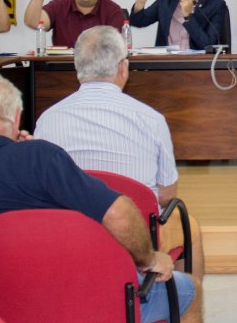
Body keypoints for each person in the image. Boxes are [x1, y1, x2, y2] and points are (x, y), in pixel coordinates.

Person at [0, 72, 215, 323]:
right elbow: (118, 213)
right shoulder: (38, 157)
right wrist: (149, 260)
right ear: (16, 119)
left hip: (9, 319)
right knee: (189, 290)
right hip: (99, 306)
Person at [35, 26, 205, 278]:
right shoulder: (151, 119)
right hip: (138, 241)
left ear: (77, 68)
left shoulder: (47, 120)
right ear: (123, 67)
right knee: (189, 225)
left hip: (70, 235)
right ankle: (183, 297)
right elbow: (167, 197)